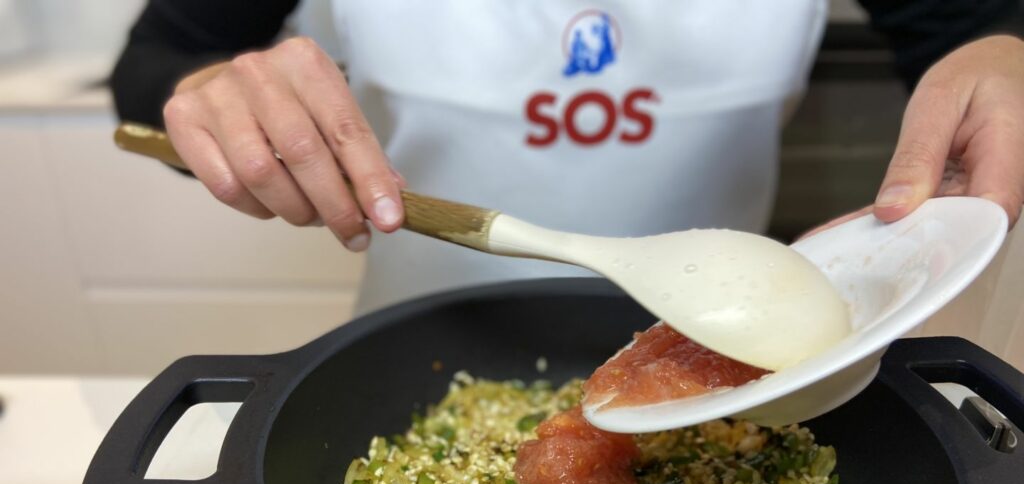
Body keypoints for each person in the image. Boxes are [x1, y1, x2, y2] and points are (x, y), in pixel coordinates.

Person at [111, 1, 1024, 317]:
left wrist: (1004, 52)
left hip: (713, 331)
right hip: (414, 333)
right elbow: (150, 67)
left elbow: (976, 26)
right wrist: (222, 102)